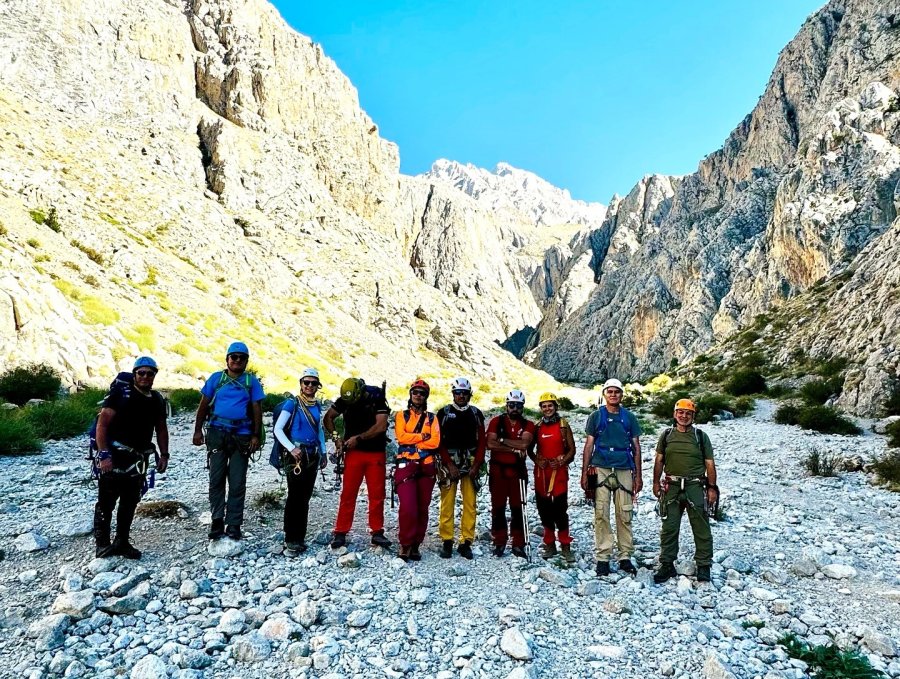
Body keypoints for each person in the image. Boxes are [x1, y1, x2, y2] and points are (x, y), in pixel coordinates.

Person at [93, 356, 169, 559]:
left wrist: (164, 454)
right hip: (114, 456)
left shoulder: (157, 400)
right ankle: (102, 544)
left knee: (129, 501)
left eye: (149, 373)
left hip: (138, 460)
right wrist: (103, 454)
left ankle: (122, 541)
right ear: (135, 374)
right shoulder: (120, 394)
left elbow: (161, 428)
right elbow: (102, 424)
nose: (145, 376)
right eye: (141, 372)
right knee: (106, 501)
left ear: (154, 375)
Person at [192, 342, 265, 541]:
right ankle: (217, 520)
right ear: (227, 359)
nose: (237, 360)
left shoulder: (252, 381)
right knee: (216, 479)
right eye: (234, 357)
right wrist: (197, 430)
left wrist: (256, 435)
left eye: (242, 358)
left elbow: (257, 409)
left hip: (242, 436)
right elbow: (203, 405)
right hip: (217, 433)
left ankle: (233, 524)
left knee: (237, 481)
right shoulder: (217, 379)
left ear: (246, 361)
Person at [581, 378, 642, 576]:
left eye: (617, 392)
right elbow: (589, 446)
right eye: (610, 392)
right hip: (600, 468)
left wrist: (638, 476)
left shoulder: (629, 418)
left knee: (624, 513)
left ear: (621, 395)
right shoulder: (595, 417)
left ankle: (625, 556)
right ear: (604, 394)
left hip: (624, 468)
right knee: (601, 513)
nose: (613, 395)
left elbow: (636, 447)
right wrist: (584, 474)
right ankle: (603, 557)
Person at [652, 398, 718, 584]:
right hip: (671, 486)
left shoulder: (700, 436)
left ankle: (704, 565)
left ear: (693, 416)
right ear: (675, 414)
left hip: (695, 485)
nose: (684, 416)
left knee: (701, 526)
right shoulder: (666, 435)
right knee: (669, 527)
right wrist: (655, 483)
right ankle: (666, 564)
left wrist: (712, 487)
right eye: (680, 412)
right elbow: (659, 461)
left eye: (688, 413)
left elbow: (709, 464)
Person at [325, 377, 392, 549]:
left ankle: (377, 531)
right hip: (353, 452)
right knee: (348, 492)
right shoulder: (345, 399)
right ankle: (340, 531)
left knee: (377, 493)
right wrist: (336, 439)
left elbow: (381, 425)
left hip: (375, 452)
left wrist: (358, 439)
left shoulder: (376, 397)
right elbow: (328, 418)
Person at [273, 368, 328, 557]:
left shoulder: (316, 406)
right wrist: (291, 448)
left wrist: (323, 451)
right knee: (295, 496)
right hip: (296, 455)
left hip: (312, 454)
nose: (310, 386)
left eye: (313, 383)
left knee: (305, 497)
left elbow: (319, 430)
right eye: (307, 382)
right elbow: (278, 429)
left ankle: (300, 537)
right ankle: (291, 538)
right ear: (301, 384)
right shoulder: (292, 404)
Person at [435, 377, 486, 560]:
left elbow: (482, 441)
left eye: (464, 393)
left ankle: (466, 541)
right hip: (449, 463)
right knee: (447, 502)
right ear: (453, 394)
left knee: (470, 503)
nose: (461, 396)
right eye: (458, 393)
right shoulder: (444, 413)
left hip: (470, 462)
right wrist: (448, 463)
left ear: (469, 395)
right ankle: (447, 540)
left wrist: (477, 464)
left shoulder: (476, 414)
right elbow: (438, 441)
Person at [393, 379, 441, 561]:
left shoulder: (432, 418)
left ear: (426, 396)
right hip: (406, 464)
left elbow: (435, 441)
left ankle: (415, 545)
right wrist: (422, 436)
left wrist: (414, 441)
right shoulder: (401, 416)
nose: (418, 396)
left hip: (426, 466)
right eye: (416, 392)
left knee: (423, 507)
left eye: (422, 393)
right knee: (408, 506)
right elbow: (401, 437)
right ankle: (405, 544)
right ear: (411, 394)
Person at [486, 389, 536, 558]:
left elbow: (524, 445)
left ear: (522, 407)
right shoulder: (496, 421)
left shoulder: (528, 424)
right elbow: (490, 444)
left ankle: (518, 543)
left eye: (518, 406)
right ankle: (499, 541)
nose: (515, 408)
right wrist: (513, 447)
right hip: (497, 470)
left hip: (517, 472)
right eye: (512, 405)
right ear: (506, 405)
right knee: (498, 507)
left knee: (518, 507)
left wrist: (502, 440)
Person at [528, 393, 576, 562]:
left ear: (555, 406)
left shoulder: (563, 425)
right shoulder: (538, 427)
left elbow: (572, 450)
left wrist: (562, 461)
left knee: (560, 509)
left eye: (550, 405)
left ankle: (565, 545)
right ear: (541, 408)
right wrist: (537, 461)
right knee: (544, 509)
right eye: (544, 406)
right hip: (542, 473)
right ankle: (549, 544)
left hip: (559, 472)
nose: (547, 409)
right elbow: (529, 449)